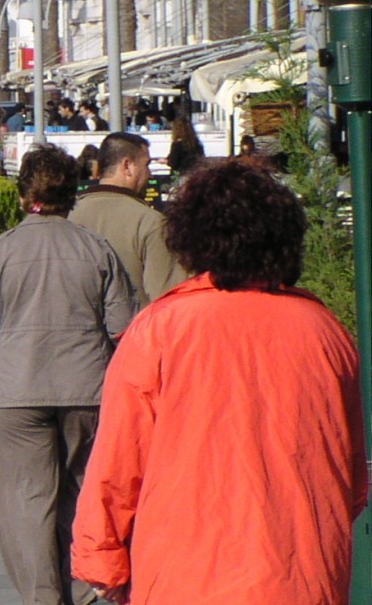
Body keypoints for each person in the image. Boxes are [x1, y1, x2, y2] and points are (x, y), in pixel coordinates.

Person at [71, 160, 366, 604]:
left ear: (191, 238)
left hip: (185, 572)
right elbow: (349, 471)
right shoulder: (324, 332)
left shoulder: (161, 330)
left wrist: (102, 560)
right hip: (303, 574)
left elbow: (117, 462)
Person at [0, 145, 135, 605]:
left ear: (22, 195)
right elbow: (124, 329)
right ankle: (82, 586)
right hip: (87, 389)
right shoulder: (97, 249)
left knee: (27, 502)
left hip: (18, 392)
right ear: (72, 194)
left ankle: (43, 595)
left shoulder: (2, 252)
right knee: (80, 491)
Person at [70, 133, 184, 308]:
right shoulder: (151, 223)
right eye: (146, 165)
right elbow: (166, 299)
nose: (150, 175)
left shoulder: (68, 217)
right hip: (136, 324)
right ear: (127, 166)